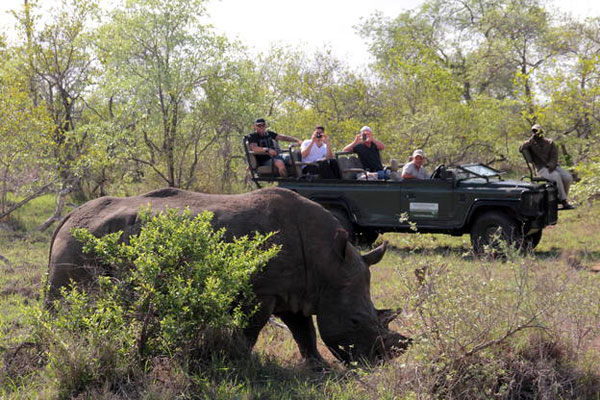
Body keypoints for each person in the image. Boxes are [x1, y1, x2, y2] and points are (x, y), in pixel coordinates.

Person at [519, 124, 575, 209]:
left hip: (552, 166)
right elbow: (521, 148)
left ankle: (560, 198)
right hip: (541, 169)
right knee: (556, 177)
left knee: (567, 177)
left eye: (538, 131)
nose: (536, 133)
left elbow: (554, 156)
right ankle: (564, 201)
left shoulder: (550, 143)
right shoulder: (531, 143)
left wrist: (551, 165)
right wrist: (531, 140)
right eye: (534, 131)